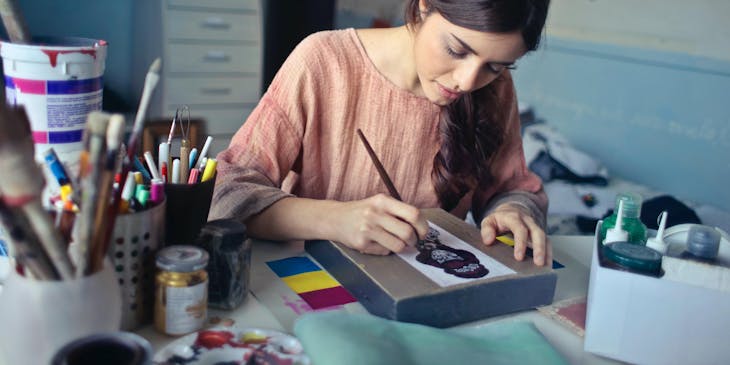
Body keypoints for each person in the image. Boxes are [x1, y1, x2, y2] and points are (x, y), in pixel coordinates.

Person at [209, 0, 552, 266]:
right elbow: (227, 192)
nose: (467, 81)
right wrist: (335, 220)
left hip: (424, 289)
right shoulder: (324, 61)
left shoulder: (494, 89)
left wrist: (513, 212)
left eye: (495, 66)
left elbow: (512, 189)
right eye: (456, 50)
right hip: (306, 280)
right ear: (423, 5)